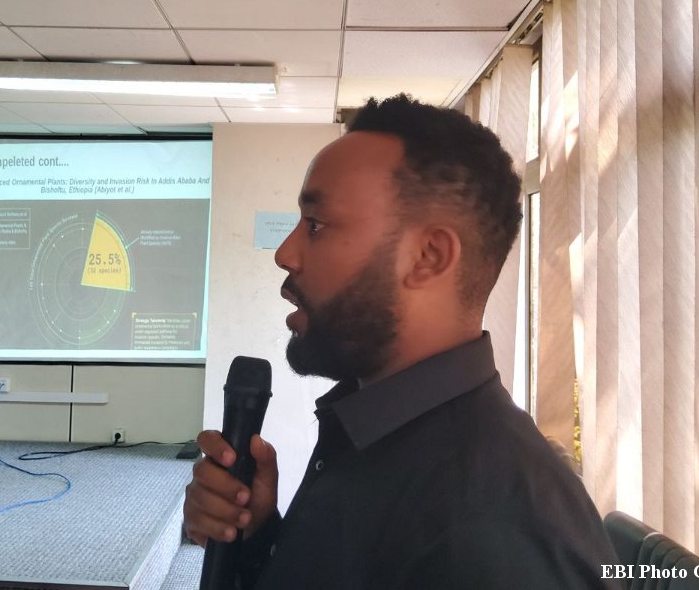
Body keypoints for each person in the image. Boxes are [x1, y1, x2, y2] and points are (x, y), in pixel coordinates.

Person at [184, 94, 619, 589]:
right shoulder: (375, 427)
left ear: (428, 257)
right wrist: (258, 539)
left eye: (316, 225)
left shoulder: (496, 529)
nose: (285, 253)